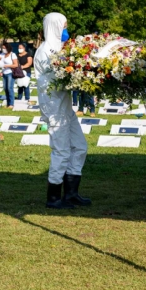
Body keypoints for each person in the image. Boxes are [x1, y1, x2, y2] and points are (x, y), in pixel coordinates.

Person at [34, 12, 91, 209]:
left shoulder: (61, 48)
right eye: (63, 26)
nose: (66, 30)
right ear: (54, 26)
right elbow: (53, 80)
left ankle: (71, 193)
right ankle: (53, 197)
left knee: (80, 146)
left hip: (65, 106)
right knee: (61, 151)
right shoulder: (45, 51)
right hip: (54, 107)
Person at [0, 42, 18, 109]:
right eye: (2, 48)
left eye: (4, 48)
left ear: (8, 48)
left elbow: (16, 65)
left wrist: (6, 65)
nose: (3, 49)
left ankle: (11, 104)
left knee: (10, 88)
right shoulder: (2, 54)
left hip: (10, 73)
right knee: (5, 89)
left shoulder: (12, 55)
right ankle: (8, 104)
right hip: (4, 73)